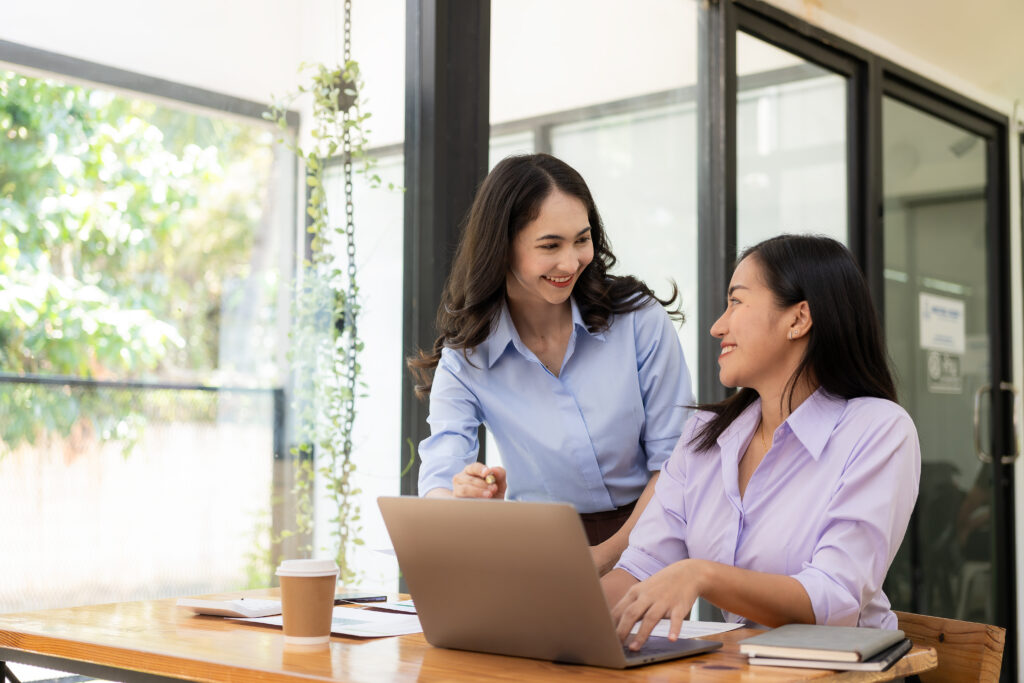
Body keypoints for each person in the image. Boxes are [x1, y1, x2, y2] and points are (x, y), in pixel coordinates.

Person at [602, 234, 921, 649]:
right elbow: (641, 568)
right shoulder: (703, 435)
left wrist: (701, 575)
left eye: (736, 302)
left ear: (798, 319)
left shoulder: (879, 431)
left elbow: (832, 598)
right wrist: (550, 618)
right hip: (743, 670)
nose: (718, 326)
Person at [408, 153, 694, 573]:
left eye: (582, 239)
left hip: (650, 532)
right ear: (501, 248)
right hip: (541, 548)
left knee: (622, 635)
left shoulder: (637, 321)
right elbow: (438, 477)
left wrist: (604, 556)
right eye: (550, 245)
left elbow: (675, 465)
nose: (571, 261)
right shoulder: (467, 358)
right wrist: (463, 495)